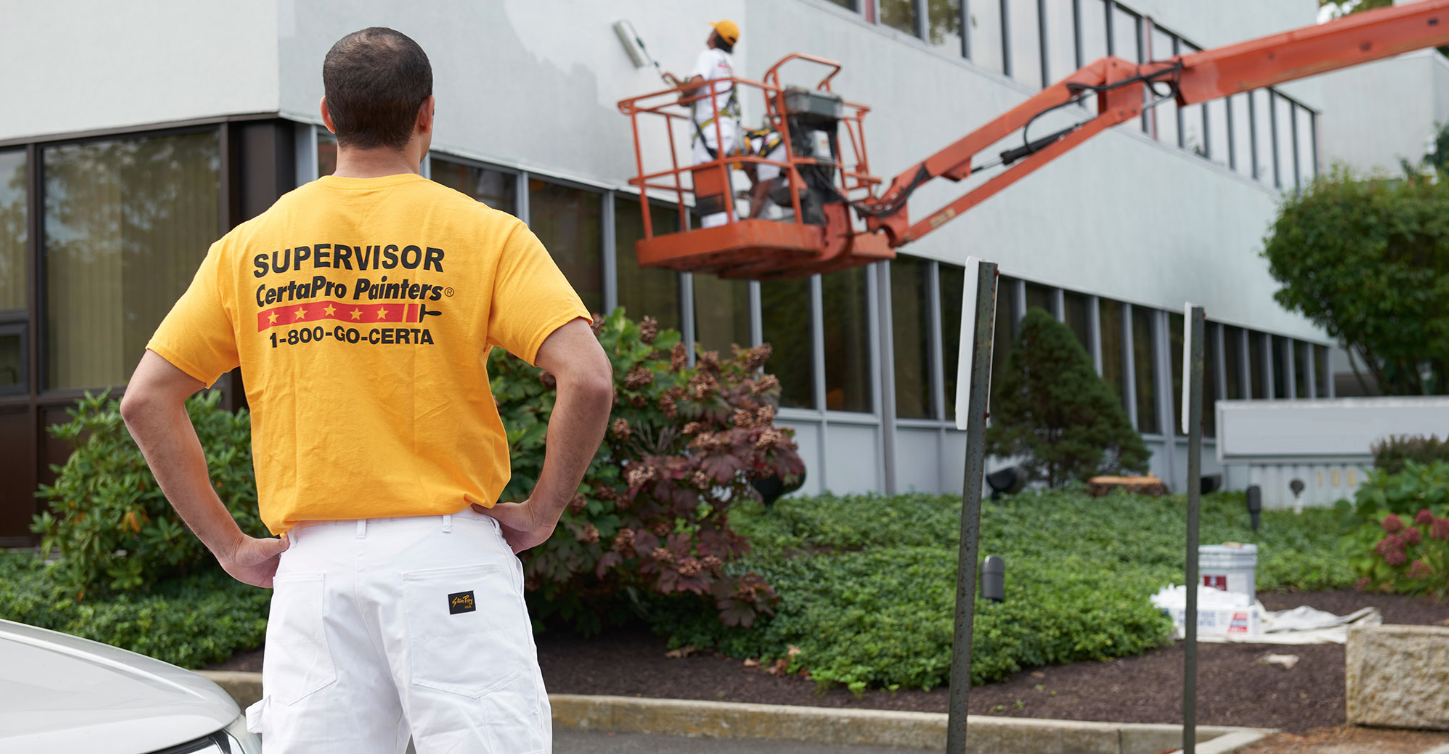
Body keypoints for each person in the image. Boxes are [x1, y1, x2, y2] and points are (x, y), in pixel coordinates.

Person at [119, 27, 613, 754]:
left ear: (327, 116)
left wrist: (228, 547)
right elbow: (589, 376)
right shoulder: (486, 234)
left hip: (314, 573)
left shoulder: (248, 248)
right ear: (427, 115)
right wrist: (542, 511)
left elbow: (145, 400)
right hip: (450, 560)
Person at [667, 20, 742, 228]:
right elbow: (704, 91)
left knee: (707, 177)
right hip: (723, 127)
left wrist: (683, 93)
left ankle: (715, 228)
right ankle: (729, 222)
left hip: (710, 129)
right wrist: (678, 84)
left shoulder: (708, 56)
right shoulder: (727, 62)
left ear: (714, 36)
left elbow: (697, 85)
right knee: (721, 175)